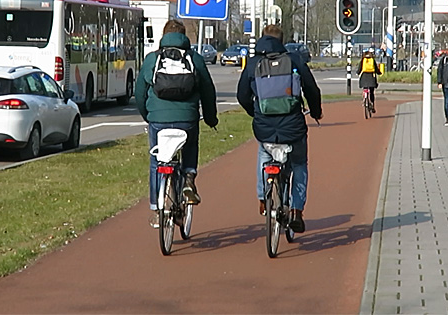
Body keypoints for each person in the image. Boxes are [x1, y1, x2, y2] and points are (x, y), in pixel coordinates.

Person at [237, 24, 322, 233]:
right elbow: (311, 89)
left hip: (264, 126)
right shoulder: (294, 60)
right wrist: (316, 111)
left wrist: (255, 112)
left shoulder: (253, 63)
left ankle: (263, 199)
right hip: (293, 127)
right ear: (282, 41)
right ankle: (297, 211)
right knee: (299, 164)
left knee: (264, 154)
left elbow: (242, 96)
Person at [135, 19, 218, 228]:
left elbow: (139, 93)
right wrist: (210, 118)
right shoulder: (195, 59)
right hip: (187, 119)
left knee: (157, 162)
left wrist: (148, 115)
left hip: (157, 120)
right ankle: (189, 176)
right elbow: (208, 91)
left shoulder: (152, 59)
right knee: (190, 146)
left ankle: (156, 207)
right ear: (184, 36)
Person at [357, 49, 382, 113]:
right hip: (371, 77)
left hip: (364, 77)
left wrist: (358, 73)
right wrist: (379, 73)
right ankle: (372, 105)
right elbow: (376, 69)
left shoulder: (363, 60)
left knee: (365, 88)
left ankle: (364, 99)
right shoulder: (372, 60)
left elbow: (359, 69)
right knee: (371, 92)